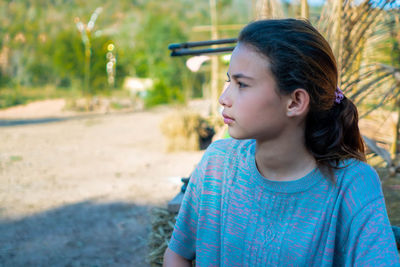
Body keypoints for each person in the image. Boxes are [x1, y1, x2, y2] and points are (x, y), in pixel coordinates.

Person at [163, 19, 400, 266]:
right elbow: (177, 254)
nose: (224, 98)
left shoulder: (352, 186)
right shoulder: (217, 164)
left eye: (242, 84)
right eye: (228, 80)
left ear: (295, 102)